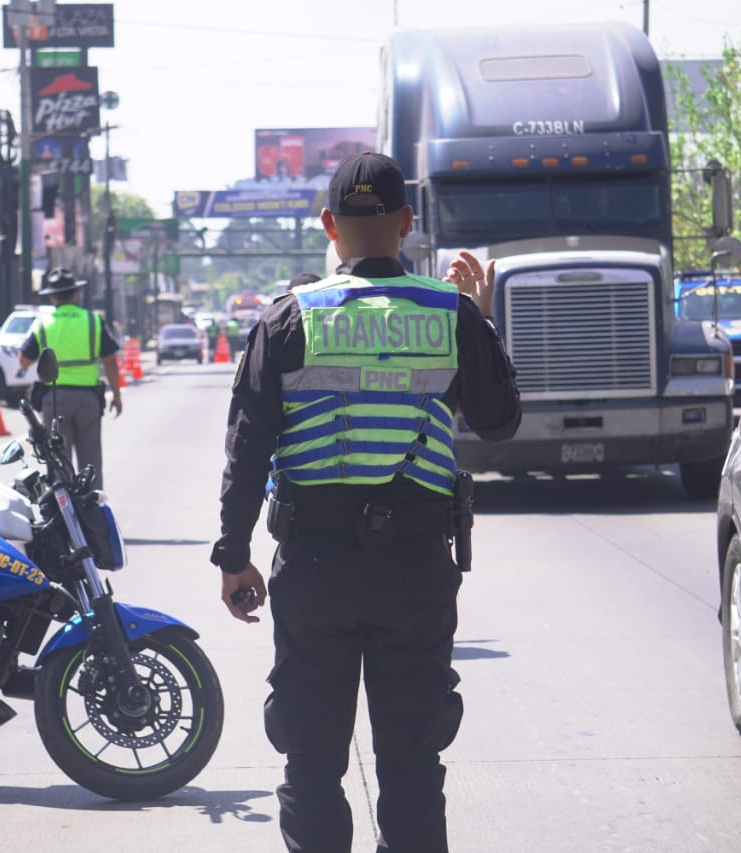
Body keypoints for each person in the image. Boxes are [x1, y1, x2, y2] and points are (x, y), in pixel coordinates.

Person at [211, 152, 522, 853]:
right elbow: (499, 420)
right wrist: (482, 319)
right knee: (413, 760)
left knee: (312, 758)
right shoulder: (450, 315)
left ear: (329, 225)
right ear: (407, 225)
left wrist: (233, 557)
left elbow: (247, 447)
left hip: (314, 566)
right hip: (415, 565)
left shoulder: (289, 318)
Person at [18, 268, 122, 489]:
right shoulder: (93, 321)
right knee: (90, 463)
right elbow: (110, 359)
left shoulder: (42, 324)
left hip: (54, 402)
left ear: (52, 296)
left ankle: (63, 517)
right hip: (88, 400)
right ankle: (93, 514)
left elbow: (24, 360)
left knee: (57, 464)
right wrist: (117, 394)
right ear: (76, 293)